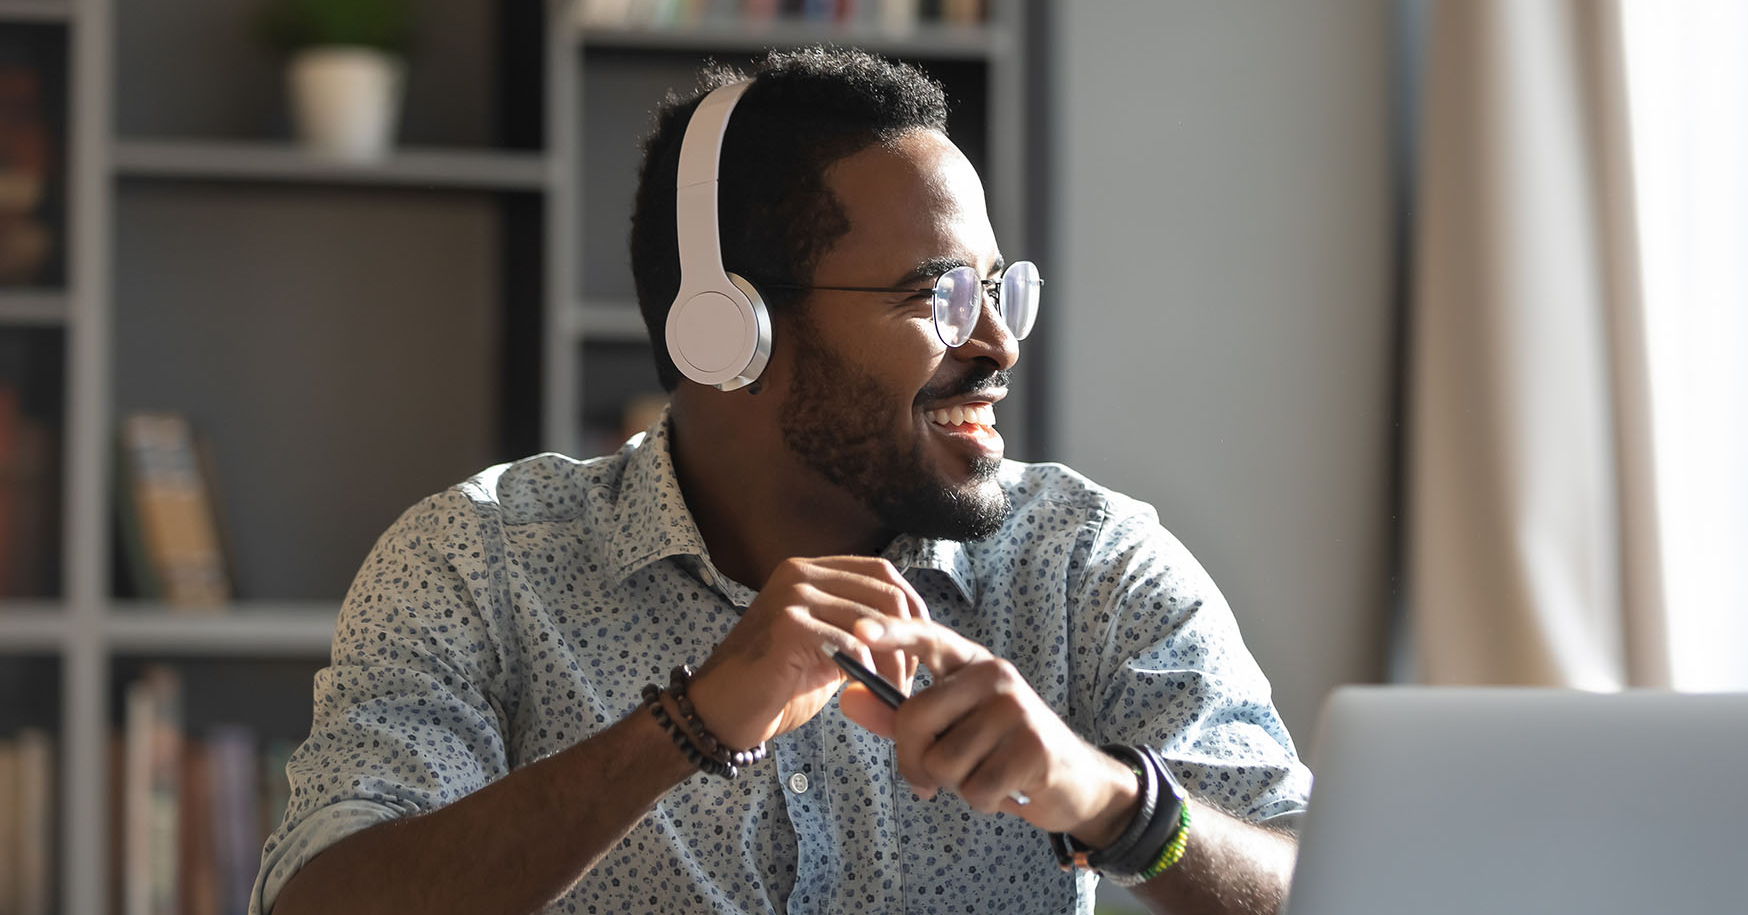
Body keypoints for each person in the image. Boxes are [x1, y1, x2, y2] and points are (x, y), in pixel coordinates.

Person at [254, 48, 1309, 915]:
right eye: (935, 295)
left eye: (995, 291)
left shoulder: (1085, 564)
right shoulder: (479, 564)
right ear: (730, 333)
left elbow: (1341, 882)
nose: (997, 344)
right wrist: (688, 727)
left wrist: (1116, 804)